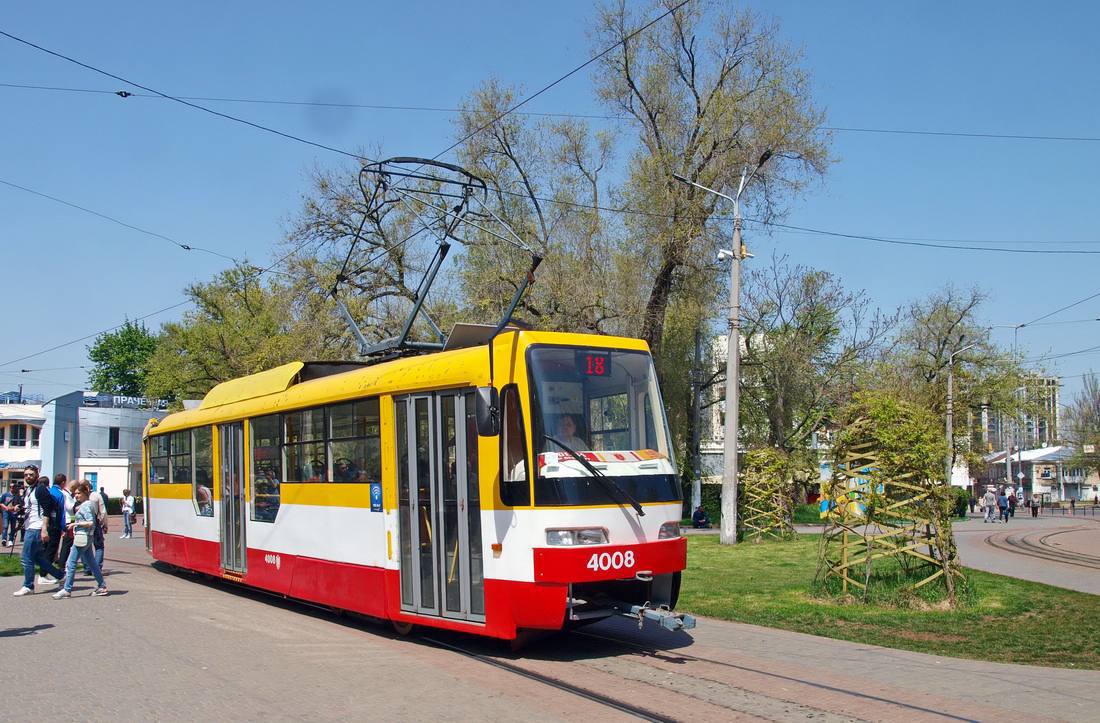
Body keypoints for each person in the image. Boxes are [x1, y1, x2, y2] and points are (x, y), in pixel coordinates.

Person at [53, 481, 107, 598]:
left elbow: (90, 522)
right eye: (75, 493)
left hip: (82, 537)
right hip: (85, 537)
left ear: (85, 493)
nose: (76, 495)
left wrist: (75, 524)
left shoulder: (86, 505)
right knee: (92, 563)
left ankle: (67, 589)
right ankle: (102, 586)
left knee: (71, 563)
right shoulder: (88, 504)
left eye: (78, 493)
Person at [13, 473, 64, 596]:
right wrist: (19, 507)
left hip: (36, 527)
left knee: (26, 558)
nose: (28, 477)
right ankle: (60, 575)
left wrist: (44, 528)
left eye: (31, 474)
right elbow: (31, 507)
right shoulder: (29, 490)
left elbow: (47, 509)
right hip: (30, 525)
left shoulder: (40, 489)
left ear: (37, 474)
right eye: (26, 475)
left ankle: (28, 586)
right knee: (37, 558)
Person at [45, 473, 68, 564]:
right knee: (52, 548)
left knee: (46, 548)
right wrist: (63, 527)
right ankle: (46, 571)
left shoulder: (48, 491)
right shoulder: (60, 494)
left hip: (46, 522)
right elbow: (62, 512)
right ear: (62, 483)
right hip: (55, 524)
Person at [1, 481, 18, 546]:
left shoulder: (17, 495)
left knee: (13, 527)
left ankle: (11, 540)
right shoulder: (5, 494)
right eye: (10, 487)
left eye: (13, 487)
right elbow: (1, 503)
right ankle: (4, 539)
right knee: (5, 526)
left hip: (14, 513)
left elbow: (20, 503)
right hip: (6, 512)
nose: (12, 488)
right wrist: (5, 507)